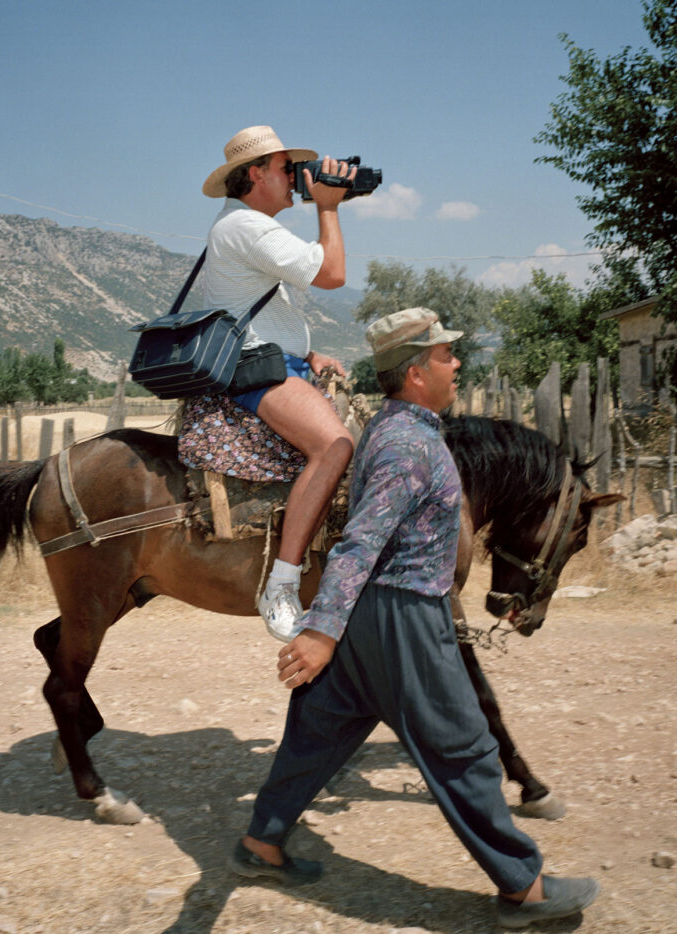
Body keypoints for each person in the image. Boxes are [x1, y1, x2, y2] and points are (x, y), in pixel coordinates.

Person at [227, 308, 601, 929]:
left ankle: (261, 842)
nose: (456, 363)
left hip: (369, 614)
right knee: (464, 749)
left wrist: (334, 626)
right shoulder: (407, 444)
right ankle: (524, 889)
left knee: (321, 728)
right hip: (403, 611)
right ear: (416, 372)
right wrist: (320, 632)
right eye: (445, 355)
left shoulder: (399, 427)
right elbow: (360, 541)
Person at [202, 125, 356, 642]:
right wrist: (329, 206)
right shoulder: (247, 227)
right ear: (254, 174)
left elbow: (250, 308)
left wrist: (308, 353)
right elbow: (331, 273)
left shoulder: (246, 226)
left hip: (275, 360)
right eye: (286, 168)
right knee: (335, 445)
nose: (297, 177)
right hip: (256, 367)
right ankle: (283, 584)